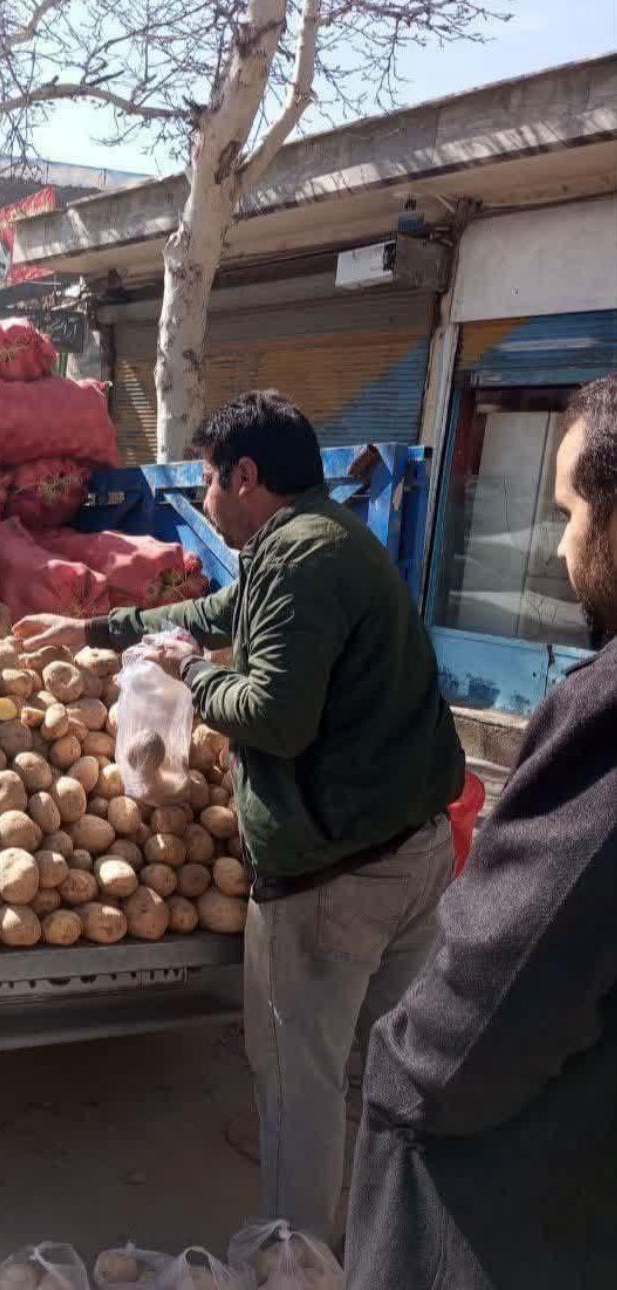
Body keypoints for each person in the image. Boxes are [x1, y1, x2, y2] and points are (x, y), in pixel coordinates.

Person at [15, 390, 464, 1239]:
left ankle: (291, 1260)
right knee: (382, 1070)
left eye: (210, 485)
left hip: (339, 876)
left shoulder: (299, 561)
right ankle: (384, 1243)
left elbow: (274, 718)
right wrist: (93, 634)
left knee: (300, 1083)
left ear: (244, 476)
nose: (207, 504)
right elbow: (215, 615)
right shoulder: (324, 541)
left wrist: (190, 674)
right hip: (412, 853)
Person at [345, 374, 617, 1290]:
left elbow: (497, 992)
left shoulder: (607, 719)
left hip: (539, 1207)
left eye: (573, 510)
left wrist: (396, 1073)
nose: (561, 544)